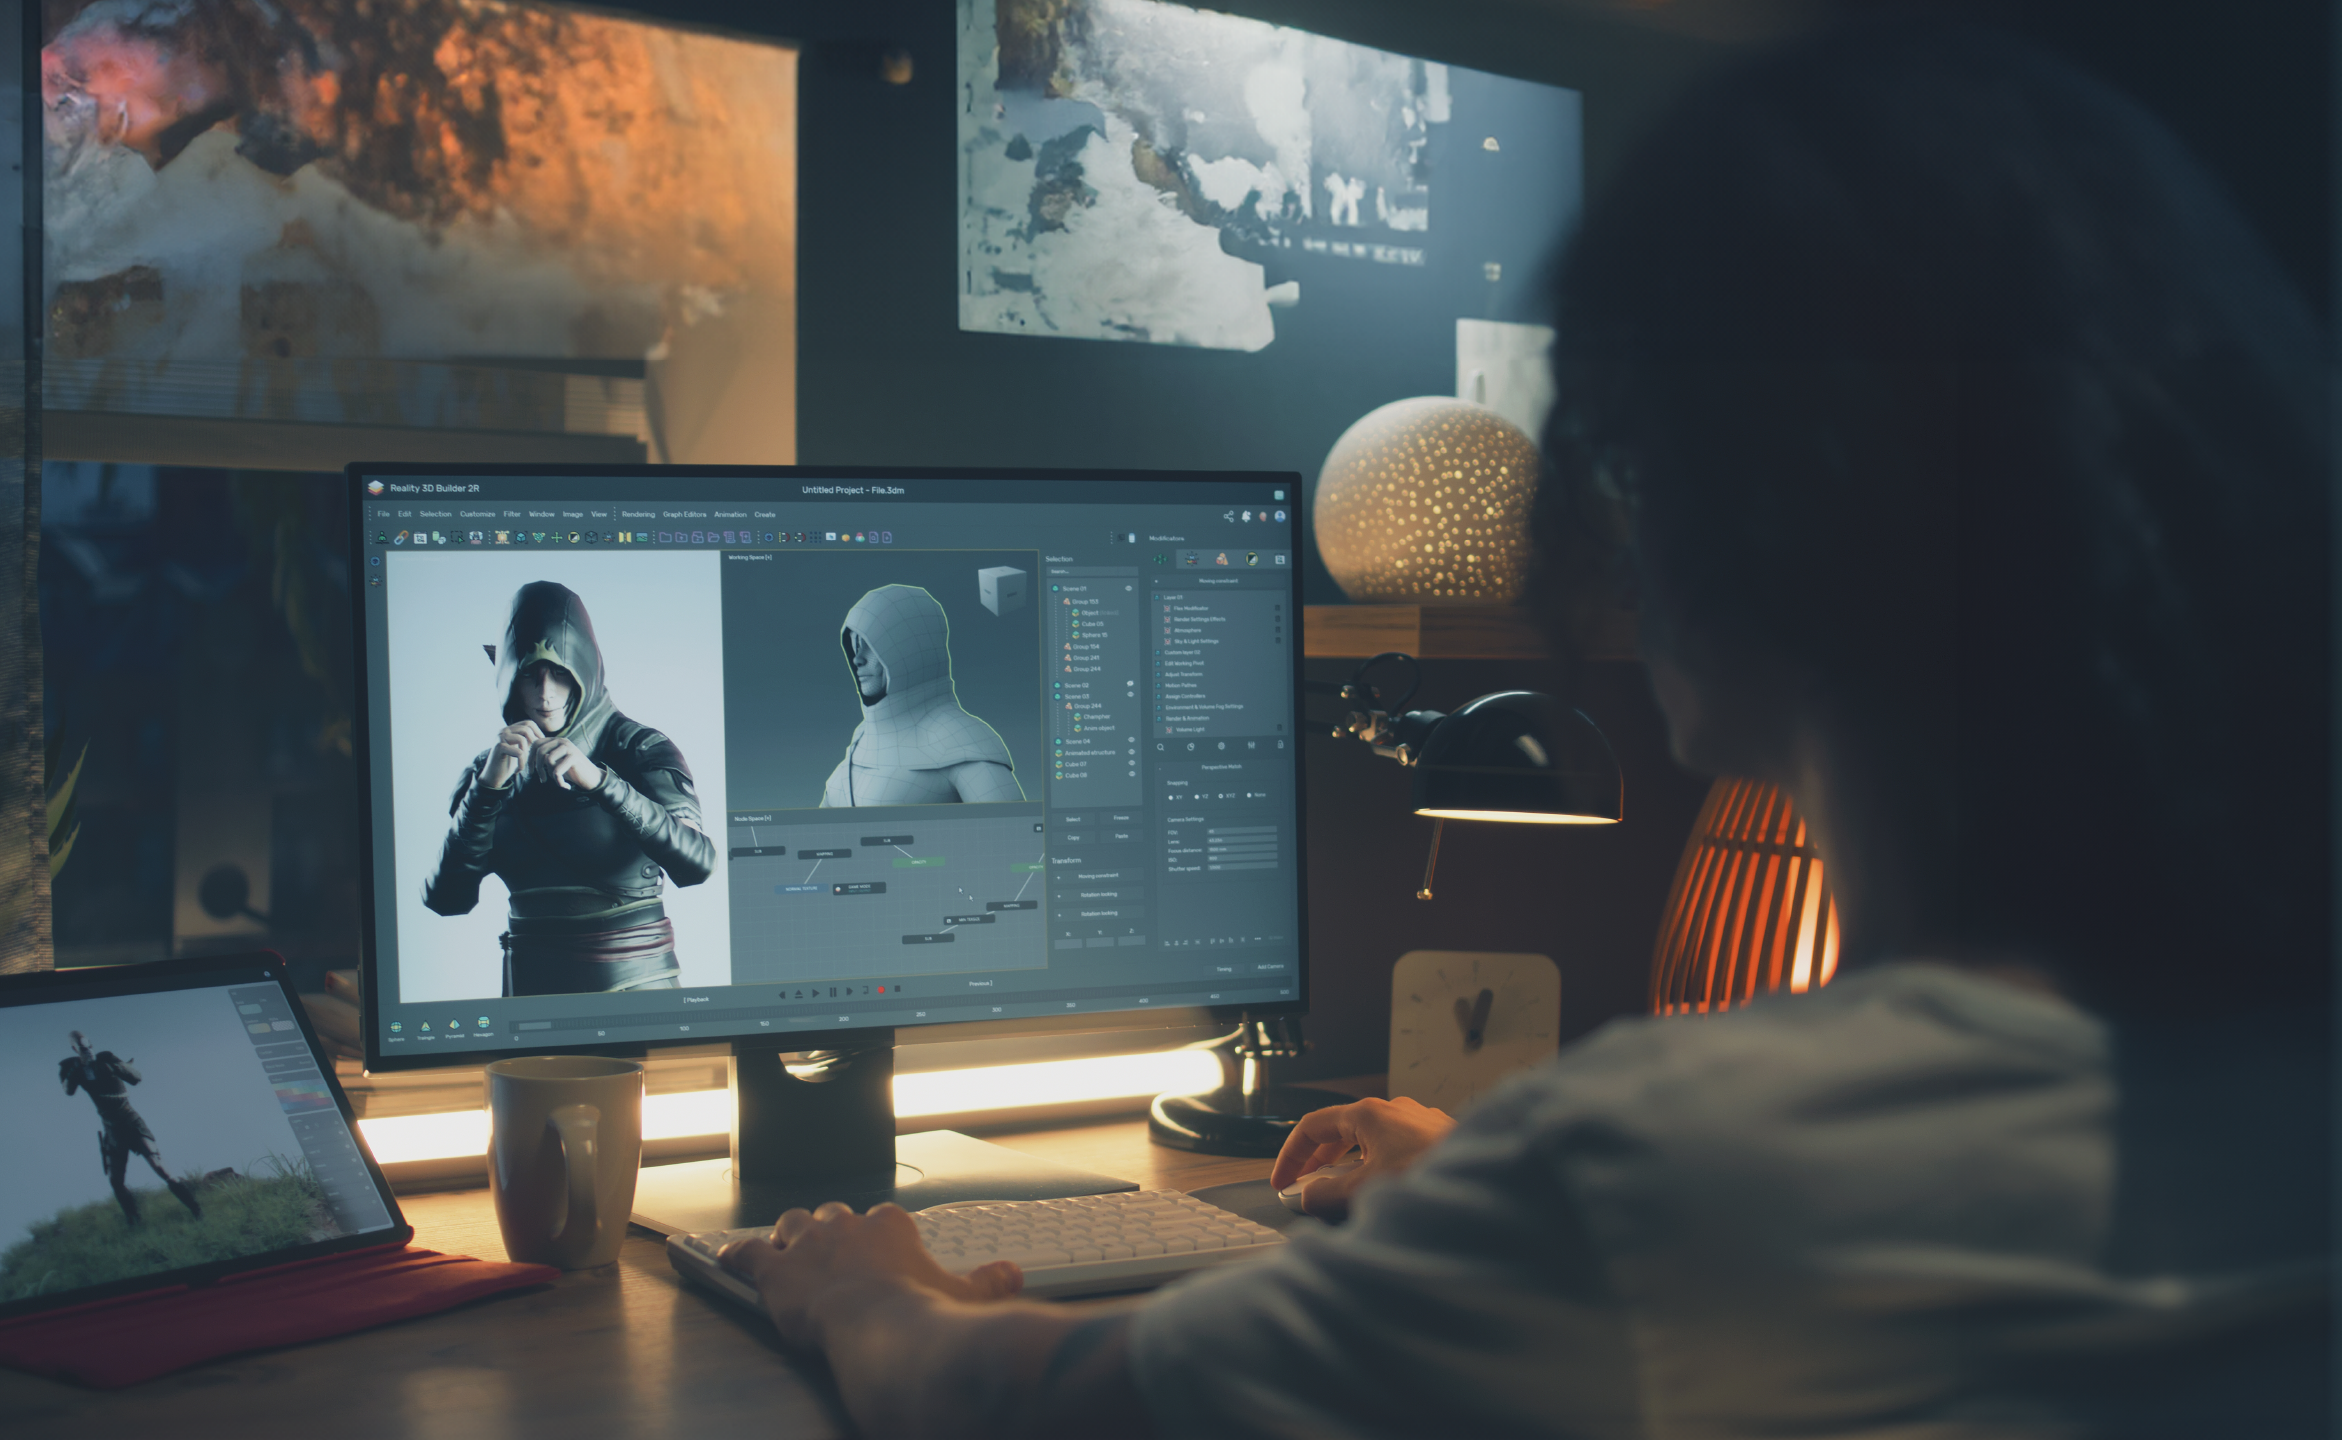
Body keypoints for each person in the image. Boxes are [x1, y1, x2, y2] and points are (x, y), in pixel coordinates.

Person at [720, 22, 2331, 1438]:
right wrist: (1485, 1203)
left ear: (1754, 513)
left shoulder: (1669, 1174)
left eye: (1621, 444)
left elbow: (1014, 1403)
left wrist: (863, 1290)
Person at [424, 580, 718, 995]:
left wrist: (601, 783)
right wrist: (487, 790)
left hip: (637, 996)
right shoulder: (486, 772)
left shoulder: (638, 748)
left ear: (585, 669)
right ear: (508, 677)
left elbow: (698, 863)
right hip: (530, 1003)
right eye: (530, 675)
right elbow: (447, 899)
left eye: (560, 674)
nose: (545, 695)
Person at [821, 584, 1023, 805]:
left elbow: (1013, 832)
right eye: (855, 646)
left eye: (869, 645)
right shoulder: (861, 740)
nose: (857, 659)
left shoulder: (960, 739)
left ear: (905, 650)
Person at [58, 1030, 202, 1228]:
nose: (87, 1050)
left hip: (131, 1120)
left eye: (88, 1046)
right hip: (112, 1128)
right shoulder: (72, 1067)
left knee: (160, 1167)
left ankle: (196, 1209)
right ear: (75, 1048)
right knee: (116, 1181)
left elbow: (135, 1078)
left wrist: (114, 1066)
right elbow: (68, 1090)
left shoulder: (106, 1058)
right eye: (81, 1048)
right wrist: (78, 1067)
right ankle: (134, 1221)